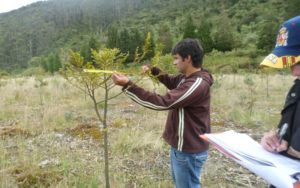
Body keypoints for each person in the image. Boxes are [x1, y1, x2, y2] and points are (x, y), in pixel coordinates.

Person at [112, 39, 213, 188]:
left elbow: (163, 102)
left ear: (188, 58)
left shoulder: (197, 84)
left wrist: (128, 86)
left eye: (176, 58)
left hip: (189, 150)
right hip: (182, 148)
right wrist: (153, 71)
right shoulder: (186, 78)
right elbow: (171, 81)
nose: (174, 62)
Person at [260, 16, 300, 161]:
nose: (294, 72)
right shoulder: (297, 89)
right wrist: (274, 138)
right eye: (291, 62)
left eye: (298, 62)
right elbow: (286, 133)